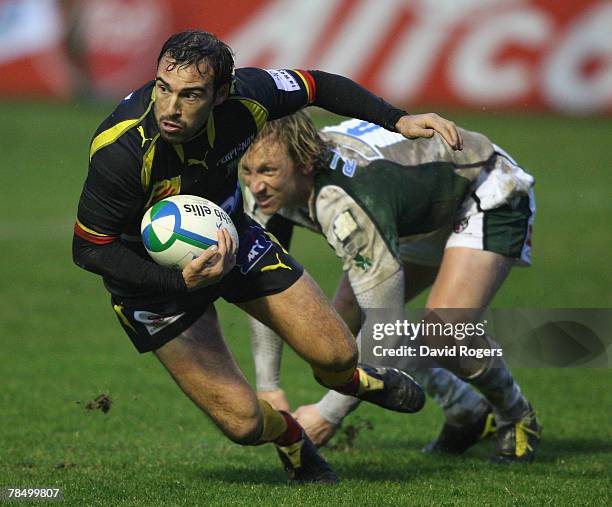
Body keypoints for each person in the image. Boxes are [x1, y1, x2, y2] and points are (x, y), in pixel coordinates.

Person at [72, 30, 464, 483]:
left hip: (232, 240)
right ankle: (292, 438)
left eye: (191, 95)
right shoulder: (121, 151)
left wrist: (397, 120)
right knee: (243, 424)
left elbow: (318, 85)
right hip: (150, 284)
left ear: (221, 94)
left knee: (337, 354)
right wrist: (178, 284)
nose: (171, 108)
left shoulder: (249, 97)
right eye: (164, 88)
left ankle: (351, 381)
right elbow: (88, 247)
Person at [239, 111, 541, 463]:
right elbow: (264, 286)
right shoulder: (266, 191)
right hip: (413, 208)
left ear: (305, 164)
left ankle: (516, 415)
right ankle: (467, 412)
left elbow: (386, 328)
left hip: (484, 188)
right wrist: (269, 386)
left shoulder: (345, 202)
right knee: (333, 335)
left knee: (443, 333)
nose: (254, 185)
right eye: (248, 171)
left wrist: (328, 414)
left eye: (268, 172)